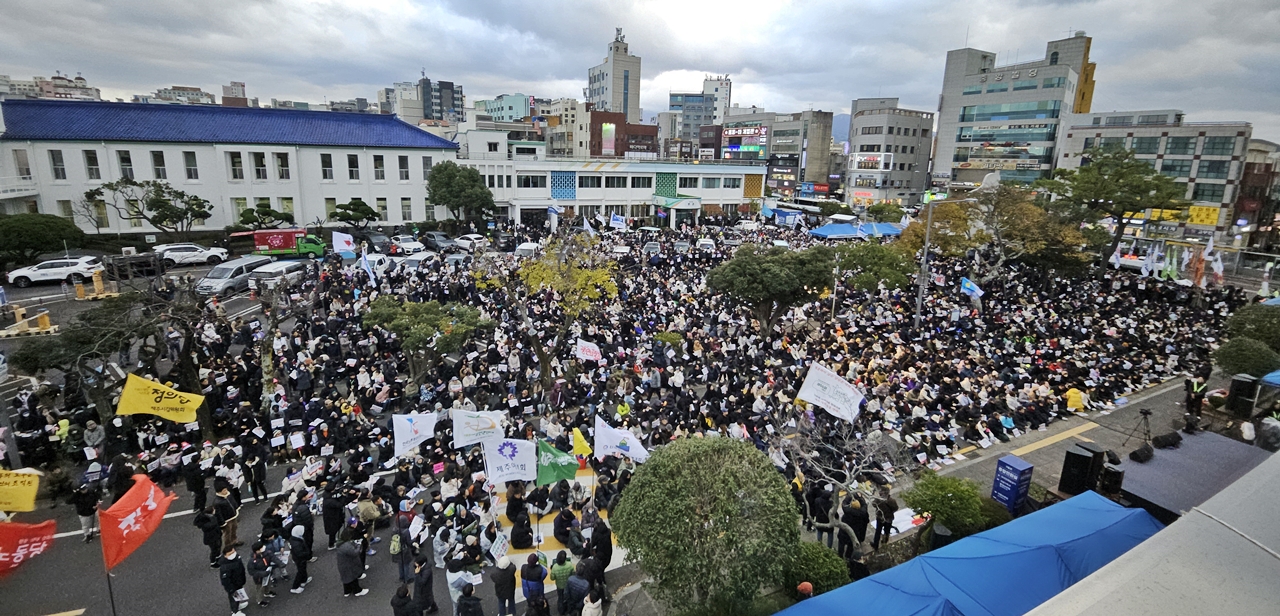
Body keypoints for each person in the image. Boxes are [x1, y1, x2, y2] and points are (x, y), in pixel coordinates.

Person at [246, 541, 280, 607]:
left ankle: (267, 592)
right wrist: (262, 573)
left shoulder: (266, 553)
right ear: (257, 551)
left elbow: (272, 557)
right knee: (260, 589)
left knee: (268, 583)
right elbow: (252, 572)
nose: (263, 548)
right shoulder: (252, 561)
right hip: (259, 578)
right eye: (261, 547)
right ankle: (259, 600)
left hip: (267, 573)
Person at [219, 546, 249, 616]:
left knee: (238, 593)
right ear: (225, 555)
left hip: (239, 581)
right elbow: (225, 580)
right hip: (232, 585)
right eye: (230, 554)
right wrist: (230, 589)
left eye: (233, 552)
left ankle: (238, 605)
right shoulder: (225, 567)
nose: (233, 554)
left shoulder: (236, 558)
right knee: (233, 596)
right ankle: (235, 611)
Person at [214, 485, 242, 550]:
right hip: (226, 520)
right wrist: (222, 523)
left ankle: (234, 541)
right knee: (227, 533)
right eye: (224, 490)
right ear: (220, 492)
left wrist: (236, 509)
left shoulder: (228, 495)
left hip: (233, 516)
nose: (226, 491)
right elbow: (218, 514)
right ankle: (228, 545)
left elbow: (233, 502)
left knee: (234, 529)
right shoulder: (217, 502)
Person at [548, 551, 575, 616]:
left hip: (559, 586)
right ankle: (568, 610)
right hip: (568, 585)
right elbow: (573, 574)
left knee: (560, 598)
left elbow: (552, 578)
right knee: (568, 598)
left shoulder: (555, 567)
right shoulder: (570, 565)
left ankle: (561, 611)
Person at [288, 525, 313, 594]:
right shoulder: (297, 544)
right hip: (300, 559)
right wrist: (307, 553)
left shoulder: (293, 539)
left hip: (298, 559)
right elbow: (300, 553)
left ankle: (304, 580)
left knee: (303, 569)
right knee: (300, 572)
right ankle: (294, 587)